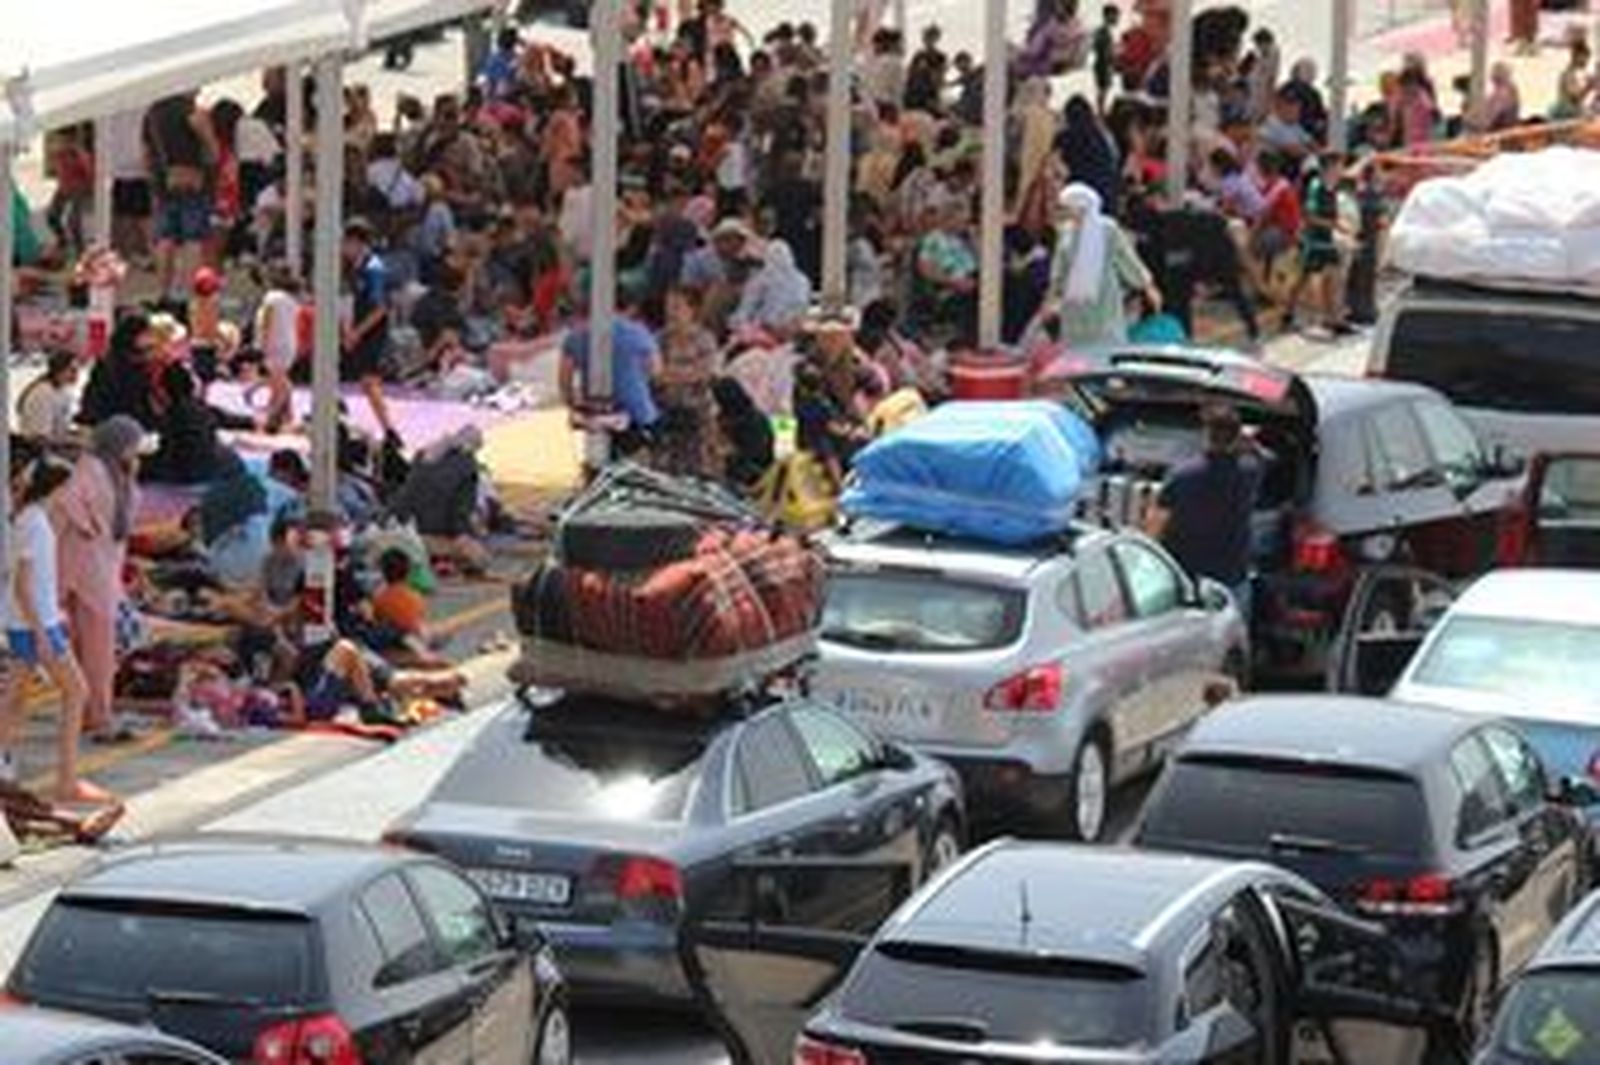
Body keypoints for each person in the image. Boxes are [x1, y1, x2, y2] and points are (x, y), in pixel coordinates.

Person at [0, 449, 115, 807]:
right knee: (76, 692)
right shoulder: (34, 524)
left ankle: (51, 773)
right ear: (57, 487)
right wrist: (41, 633)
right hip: (37, 624)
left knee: (14, 700)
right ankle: (67, 779)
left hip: (25, 622)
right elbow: (23, 584)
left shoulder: (27, 519)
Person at [54, 416, 143, 744]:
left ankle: (85, 715)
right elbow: (70, 503)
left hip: (89, 568)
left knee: (81, 648)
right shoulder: (93, 470)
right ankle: (98, 716)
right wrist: (89, 528)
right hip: (91, 570)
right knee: (98, 650)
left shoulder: (105, 471)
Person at [1145, 403, 1262, 617]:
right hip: (1231, 577)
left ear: (1205, 434)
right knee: (1233, 639)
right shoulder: (1250, 471)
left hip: (1186, 576)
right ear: (1236, 437)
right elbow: (1263, 456)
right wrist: (1247, 441)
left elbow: (1155, 523)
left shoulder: (1181, 475)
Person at [1049, 182, 1160, 348]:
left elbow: (1126, 260)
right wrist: (1054, 295)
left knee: (1106, 345)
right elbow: (1060, 269)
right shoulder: (1066, 232)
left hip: (1103, 300)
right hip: (1074, 305)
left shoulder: (1107, 229)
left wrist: (1146, 286)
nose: (1065, 213)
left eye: (1067, 208)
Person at [340, 219, 398, 442]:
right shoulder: (354, 267)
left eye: (346, 242)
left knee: (369, 381)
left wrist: (357, 332)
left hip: (371, 330)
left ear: (358, 243)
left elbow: (381, 308)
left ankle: (389, 430)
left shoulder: (374, 269)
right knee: (358, 378)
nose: (343, 247)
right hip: (357, 327)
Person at [254, 262, 302, 432]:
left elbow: (267, 321)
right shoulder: (293, 300)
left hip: (275, 343)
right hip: (288, 343)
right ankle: (288, 417)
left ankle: (271, 419)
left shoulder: (271, 298)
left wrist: (262, 345)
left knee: (280, 385)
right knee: (278, 382)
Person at [17, 352, 80, 444]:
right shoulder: (44, 393)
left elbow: (61, 427)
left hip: (53, 444)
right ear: (59, 371)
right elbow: (40, 436)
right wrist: (71, 441)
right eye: (72, 370)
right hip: (36, 448)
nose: (76, 375)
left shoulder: (64, 392)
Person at [1092, 5, 1120, 114]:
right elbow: (1105, 51)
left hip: (1102, 64)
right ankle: (1101, 112)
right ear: (1108, 16)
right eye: (1115, 16)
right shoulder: (1103, 32)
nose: (1117, 19)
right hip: (1103, 65)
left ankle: (1101, 111)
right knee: (1103, 91)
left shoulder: (1103, 31)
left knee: (1103, 91)